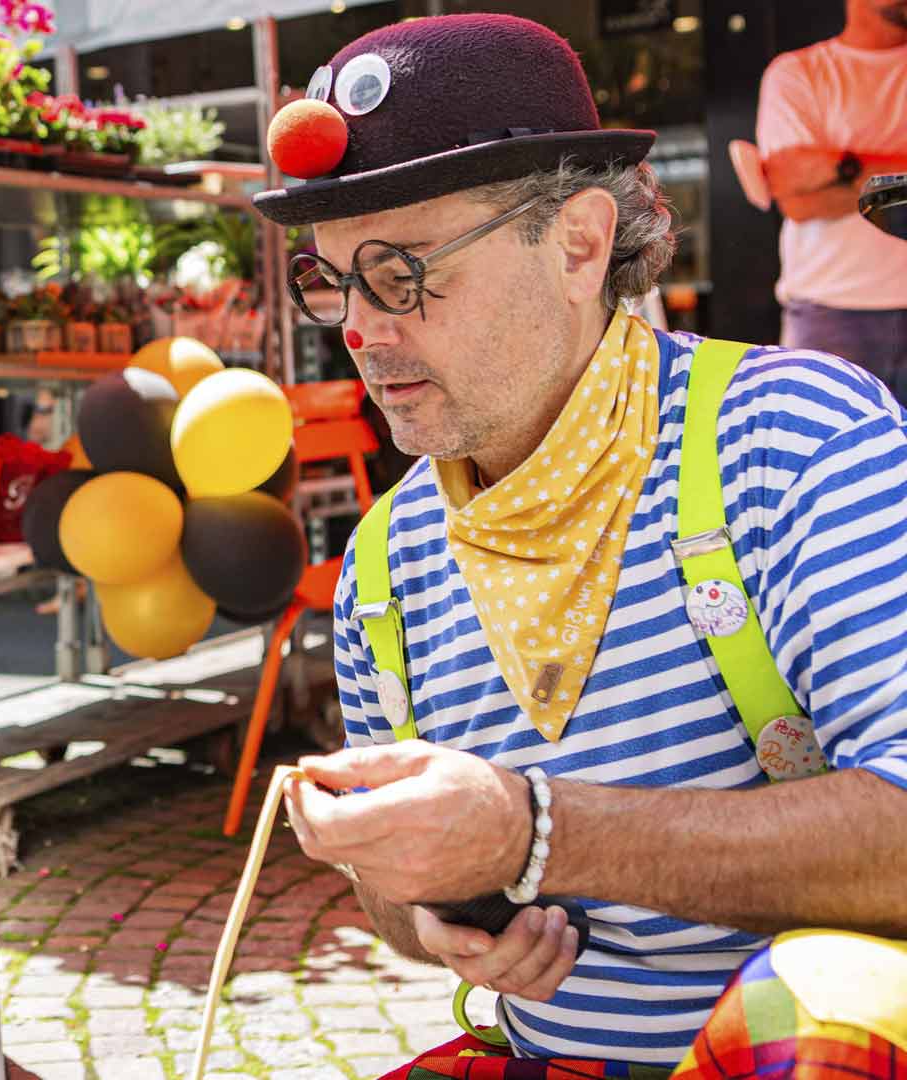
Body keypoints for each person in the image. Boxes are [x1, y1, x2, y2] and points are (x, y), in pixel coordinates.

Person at [249, 13, 907, 1074]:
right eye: (331, 280)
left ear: (579, 245)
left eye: (402, 271)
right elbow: (390, 907)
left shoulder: (788, 439)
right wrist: (438, 908)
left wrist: (536, 830)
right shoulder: (383, 564)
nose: (362, 329)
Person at [756, 0, 907, 399]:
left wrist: (840, 168)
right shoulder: (797, 73)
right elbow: (798, 202)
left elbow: (808, 193)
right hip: (829, 312)